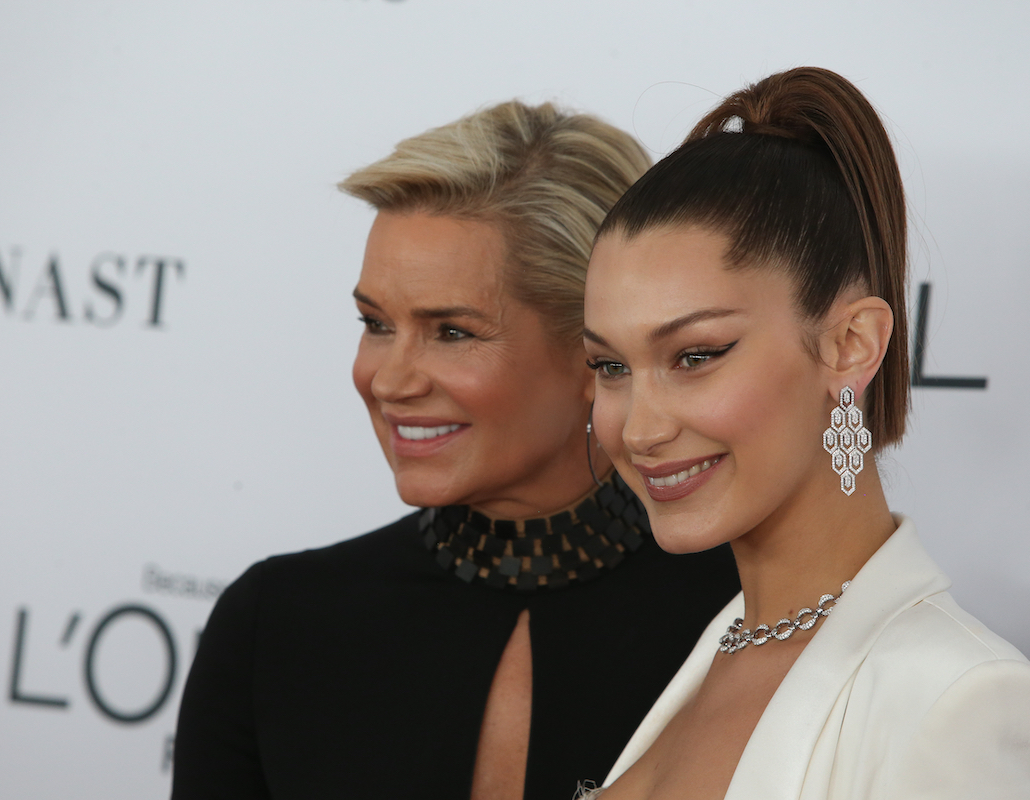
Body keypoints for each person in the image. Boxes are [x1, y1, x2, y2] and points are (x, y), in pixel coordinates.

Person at [171, 101, 741, 800]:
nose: (390, 379)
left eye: (452, 333)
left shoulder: (750, 621)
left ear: (593, 353)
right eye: (375, 323)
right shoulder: (279, 626)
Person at [579, 67, 1030, 799]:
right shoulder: (718, 649)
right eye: (610, 366)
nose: (641, 428)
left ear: (851, 345)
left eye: (695, 356)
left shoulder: (965, 704)